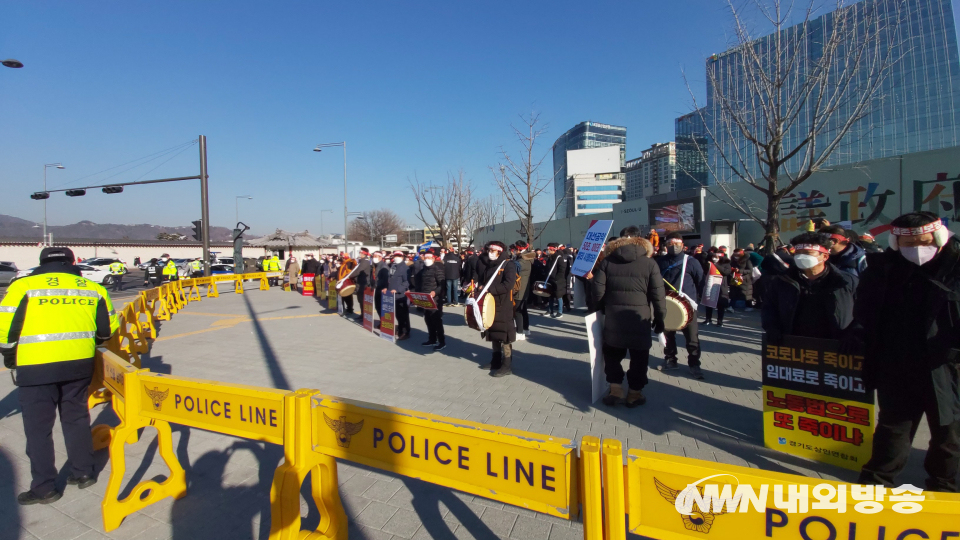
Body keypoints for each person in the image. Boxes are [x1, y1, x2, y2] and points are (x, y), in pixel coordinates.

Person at [1, 247, 119, 505]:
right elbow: (108, 329)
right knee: (76, 417)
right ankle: (84, 472)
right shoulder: (93, 288)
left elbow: (6, 325)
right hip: (79, 364)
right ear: (73, 262)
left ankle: (44, 487)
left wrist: (10, 356)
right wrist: (89, 343)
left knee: (38, 429)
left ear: (41, 263)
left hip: (35, 367)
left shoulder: (24, 286)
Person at [852, 212, 960, 492]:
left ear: (937, 238)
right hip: (896, 363)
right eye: (907, 243)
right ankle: (875, 487)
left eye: (922, 242)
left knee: (948, 433)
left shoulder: (956, 266)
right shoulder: (883, 268)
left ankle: (943, 487)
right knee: (892, 429)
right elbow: (865, 309)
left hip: (948, 366)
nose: (916, 250)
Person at [592, 227, 666, 408]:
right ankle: (634, 393)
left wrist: (601, 309)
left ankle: (616, 390)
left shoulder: (607, 261)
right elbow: (658, 294)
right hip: (639, 317)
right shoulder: (649, 263)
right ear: (640, 239)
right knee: (639, 356)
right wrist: (660, 317)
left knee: (612, 354)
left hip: (614, 317)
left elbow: (597, 291)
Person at [761, 232, 856, 343]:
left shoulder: (846, 281)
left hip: (835, 345)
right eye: (797, 253)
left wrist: (854, 334)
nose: (801, 257)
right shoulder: (782, 280)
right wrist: (772, 328)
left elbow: (865, 310)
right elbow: (769, 308)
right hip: (794, 344)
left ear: (824, 256)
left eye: (807, 253)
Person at [656, 233, 705, 379]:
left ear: (683, 245)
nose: (674, 246)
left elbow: (700, 281)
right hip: (667, 304)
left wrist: (699, 300)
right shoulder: (660, 261)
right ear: (666, 245)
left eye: (677, 243)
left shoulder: (691, 261)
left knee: (692, 337)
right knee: (668, 335)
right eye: (671, 243)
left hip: (688, 305)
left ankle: (694, 364)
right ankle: (671, 360)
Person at [471, 242, 518, 376]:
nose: (490, 252)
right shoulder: (488, 265)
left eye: (493, 250)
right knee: (492, 332)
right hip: (489, 304)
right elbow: (483, 281)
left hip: (503, 305)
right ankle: (495, 360)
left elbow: (508, 285)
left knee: (504, 335)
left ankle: (507, 364)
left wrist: (489, 290)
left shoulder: (508, 264)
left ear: (499, 251)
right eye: (488, 250)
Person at [414, 249, 446, 350]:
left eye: (429, 258)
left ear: (433, 259)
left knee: (437, 321)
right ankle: (432, 339)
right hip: (425, 299)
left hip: (435, 299)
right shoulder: (423, 270)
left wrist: (434, 292)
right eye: (425, 258)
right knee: (428, 319)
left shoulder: (437, 269)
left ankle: (442, 342)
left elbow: (442, 285)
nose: (426, 260)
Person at [385, 251, 411, 340]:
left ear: (402, 257)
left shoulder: (405, 267)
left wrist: (398, 290)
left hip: (400, 295)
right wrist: (386, 288)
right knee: (397, 314)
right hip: (392, 294)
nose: (396, 257)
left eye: (399, 256)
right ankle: (400, 329)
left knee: (403, 314)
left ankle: (405, 331)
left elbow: (406, 282)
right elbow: (390, 278)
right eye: (395, 255)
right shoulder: (393, 266)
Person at [513, 240, 534, 340]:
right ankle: (526, 328)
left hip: (520, 288)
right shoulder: (528, 257)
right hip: (525, 288)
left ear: (518, 249)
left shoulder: (523, 260)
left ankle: (520, 332)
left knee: (518, 311)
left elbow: (515, 268)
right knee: (523, 309)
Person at [703, 253, 732, 327]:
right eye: (713, 257)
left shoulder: (726, 264)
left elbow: (726, 272)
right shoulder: (709, 263)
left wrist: (715, 265)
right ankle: (708, 319)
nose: (714, 258)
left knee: (720, 304)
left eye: (716, 257)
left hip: (721, 286)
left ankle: (720, 321)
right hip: (711, 284)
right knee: (709, 302)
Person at [544, 243, 568, 318]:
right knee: (550, 295)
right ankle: (550, 310)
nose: (547, 251)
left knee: (558, 295)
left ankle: (560, 311)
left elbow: (562, 269)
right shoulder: (550, 257)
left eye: (548, 249)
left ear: (552, 249)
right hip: (550, 278)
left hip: (557, 280)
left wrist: (557, 278)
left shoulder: (559, 257)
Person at [372, 252, 389, 319]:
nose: (374, 258)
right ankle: (382, 320)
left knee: (381, 306)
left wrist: (384, 287)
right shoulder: (375, 265)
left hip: (381, 288)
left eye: (376, 256)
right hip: (377, 287)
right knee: (378, 306)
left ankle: (383, 321)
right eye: (373, 256)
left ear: (380, 257)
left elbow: (385, 279)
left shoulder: (383, 266)